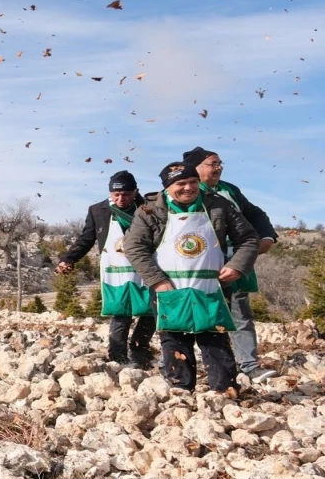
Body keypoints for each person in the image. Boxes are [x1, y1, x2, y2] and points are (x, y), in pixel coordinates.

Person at [123, 163, 259, 395]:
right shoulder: (149, 211)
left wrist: (237, 266)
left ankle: (224, 390)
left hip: (210, 286)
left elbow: (249, 238)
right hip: (168, 287)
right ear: (167, 187)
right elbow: (134, 247)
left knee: (214, 335)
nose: (188, 188)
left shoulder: (218, 205)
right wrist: (157, 280)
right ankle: (181, 390)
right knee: (174, 337)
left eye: (193, 183)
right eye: (181, 184)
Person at [182, 147, 279, 382]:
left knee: (240, 311)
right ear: (196, 168)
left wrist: (266, 237)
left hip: (234, 258)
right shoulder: (188, 192)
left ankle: (249, 365)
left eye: (219, 163)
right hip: (197, 263)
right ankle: (176, 365)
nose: (218, 168)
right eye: (212, 164)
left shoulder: (229, 190)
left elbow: (255, 214)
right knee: (189, 312)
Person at [57, 171, 156, 367]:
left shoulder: (148, 209)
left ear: (136, 192)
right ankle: (117, 356)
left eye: (126, 194)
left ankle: (139, 349)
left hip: (145, 268)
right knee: (121, 312)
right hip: (116, 270)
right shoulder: (98, 211)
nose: (121, 199)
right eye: (116, 194)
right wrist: (68, 259)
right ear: (110, 192)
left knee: (150, 311)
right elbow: (86, 239)